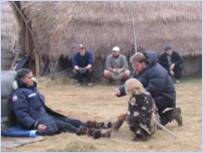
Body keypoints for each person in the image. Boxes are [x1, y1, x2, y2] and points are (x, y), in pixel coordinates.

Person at [10, 68, 112, 139]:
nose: (32, 79)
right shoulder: (19, 94)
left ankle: (98, 125)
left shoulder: (33, 90)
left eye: (32, 77)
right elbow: (21, 114)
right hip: (38, 119)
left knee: (72, 121)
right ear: (22, 80)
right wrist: (35, 125)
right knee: (65, 125)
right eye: (29, 77)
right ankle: (95, 134)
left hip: (46, 115)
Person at [114, 51, 183, 126]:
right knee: (141, 112)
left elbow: (153, 90)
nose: (134, 68)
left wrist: (137, 96)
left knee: (151, 123)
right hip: (153, 96)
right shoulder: (139, 70)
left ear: (143, 63)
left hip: (165, 98)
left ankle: (172, 114)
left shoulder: (157, 71)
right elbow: (132, 83)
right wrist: (120, 91)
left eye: (136, 65)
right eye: (133, 66)